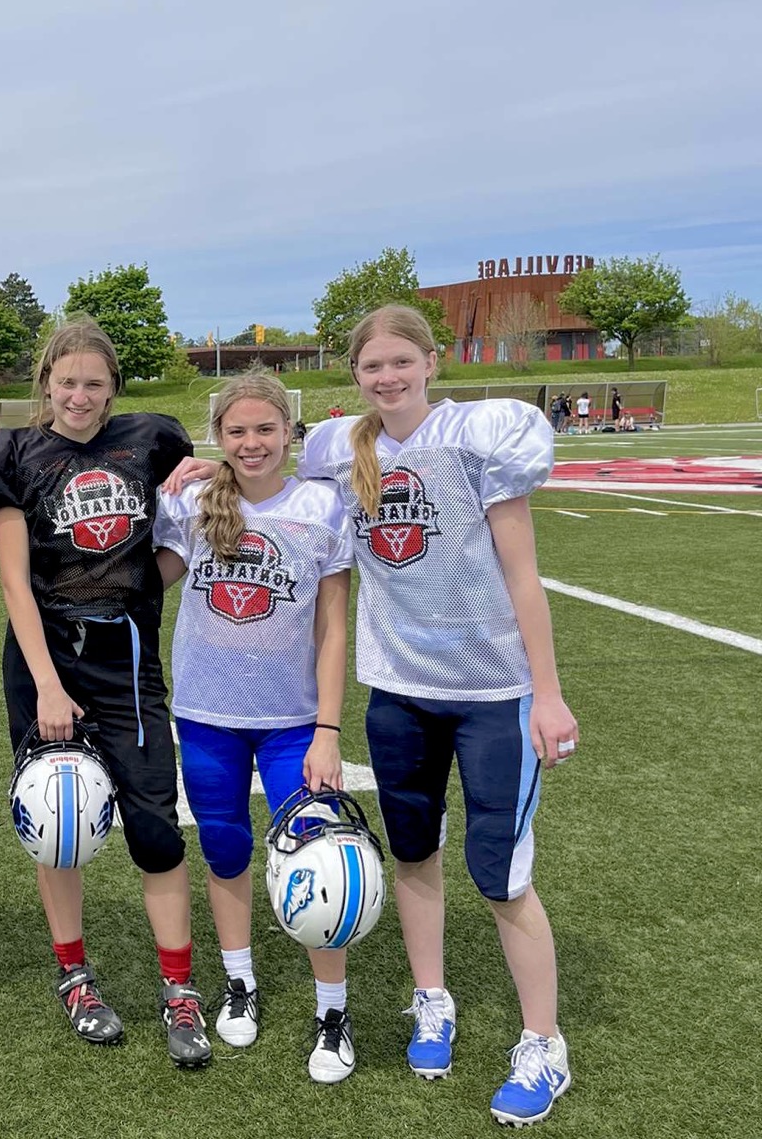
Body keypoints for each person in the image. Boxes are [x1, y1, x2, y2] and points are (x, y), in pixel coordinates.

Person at [297, 304, 578, 1127]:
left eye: (399, 362)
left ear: (431, 361)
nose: (386, 378)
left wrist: (549, 691)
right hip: (400, 689)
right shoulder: (342, 447)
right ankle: (432, 999)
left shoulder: (477, 436)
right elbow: (265, 465)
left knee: (501, 872)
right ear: (355, 376)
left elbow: (524, 577)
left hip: (493, 691)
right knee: (415, 852)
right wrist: (204, 470)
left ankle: (543, 1043)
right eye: (371, 367)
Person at [0, 315, 220, 1069]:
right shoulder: (11, 452)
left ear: (114, 389)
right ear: (46, 382)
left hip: (127, 654)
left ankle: (179, 987)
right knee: (58, 816)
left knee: (156, 827)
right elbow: (12, 578)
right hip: (45, 652)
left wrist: (157, 574)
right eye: (67, 381)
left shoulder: (149, 439)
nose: (79, 396)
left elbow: (182, 523)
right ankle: (74, 972)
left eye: (94, 383)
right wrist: (46, 682)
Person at [154, 372, 356, 1081]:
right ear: (218, 437)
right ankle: (239, 978)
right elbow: (150, 575)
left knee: (318, 855)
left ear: (289, 433)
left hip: (293, 718)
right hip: (207, 712)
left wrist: (328, 728)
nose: (251, 442)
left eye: (265, 429)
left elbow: (334, 627)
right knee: (225, 847)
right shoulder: (191, 502)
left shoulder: (321, 505)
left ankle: (333, 1007)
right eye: (236, 431)